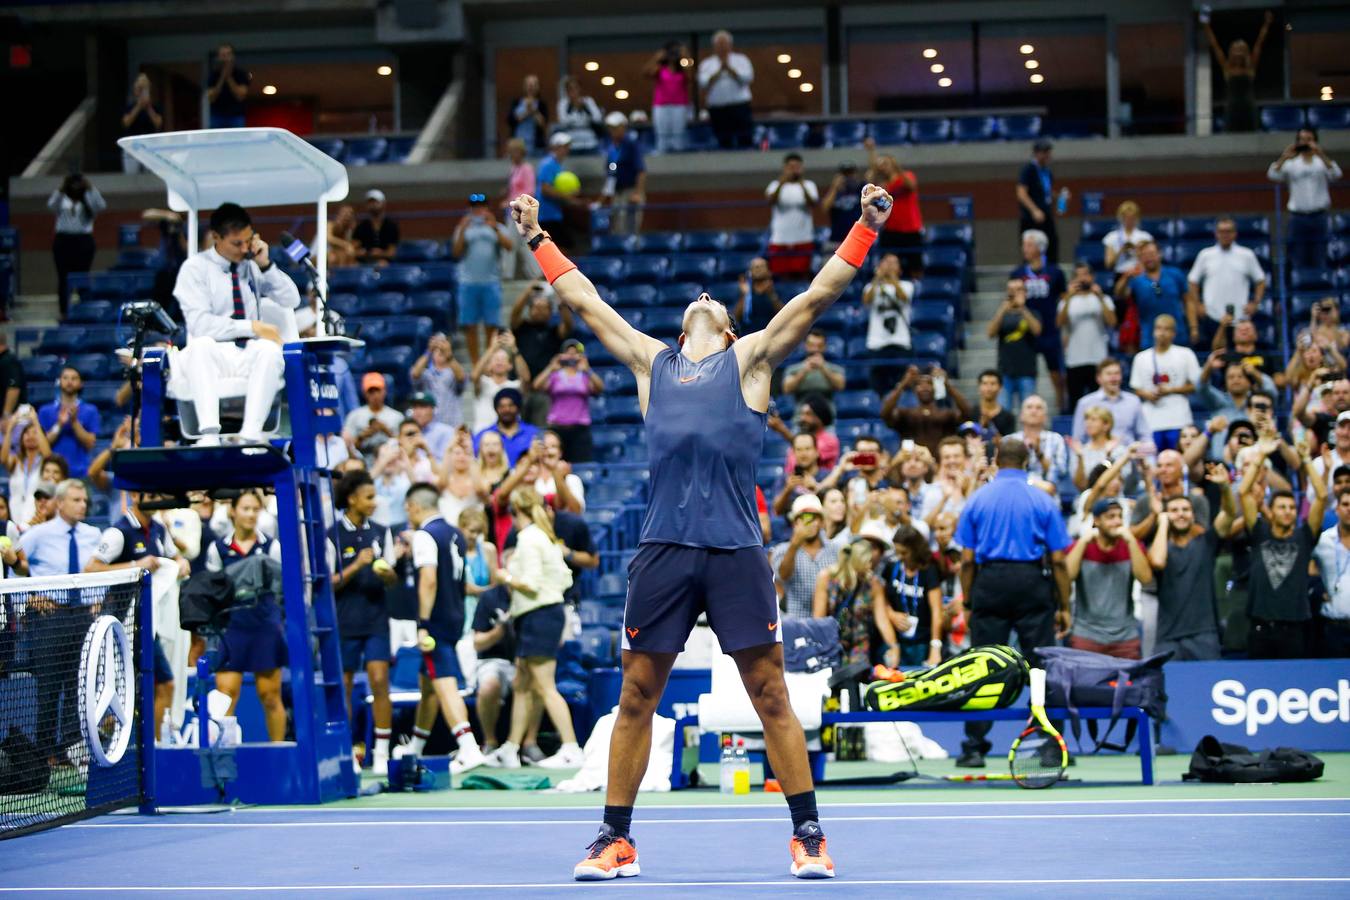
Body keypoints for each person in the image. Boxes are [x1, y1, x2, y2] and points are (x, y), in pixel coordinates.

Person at [506, 179, 893, 880]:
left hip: (737, 550)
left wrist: (865, 227)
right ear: (686, 326)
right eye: (701, 301)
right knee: (636, 695)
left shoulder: (750, 362)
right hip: (662, 551)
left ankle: (808, 834)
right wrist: (537, 236)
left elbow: (817, 297)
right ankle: (613, 840)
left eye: (718, 301)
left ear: (728, 328)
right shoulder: (651, 362)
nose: (708, 296)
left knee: (770, 693)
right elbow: (583, 300)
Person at [954, 438, 1071, 768]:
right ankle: (1051, 744)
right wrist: (1064, 604)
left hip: (990, 583)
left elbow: (966, 560)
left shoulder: (978, 499)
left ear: (996, 459)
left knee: (983, 665)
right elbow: (1060, 560)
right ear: (1027, 461)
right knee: (1041, 667)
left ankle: (974, 747)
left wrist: (968, 601)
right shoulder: (1042, 499)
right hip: (1032, 582)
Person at [172, 202, 301, 444]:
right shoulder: (195, 268)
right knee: (200, 346)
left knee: (269, 350)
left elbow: (291, 299)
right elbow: (200, 324)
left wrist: (266, 264)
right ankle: (209, 434)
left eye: (247, 241)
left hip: (247, 353)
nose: (244, 249)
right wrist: (251, 327)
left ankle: (250, 434)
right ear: (216, 237)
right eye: (236, 244)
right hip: (213, 356)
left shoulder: (251, 265)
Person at [483, 486, 582, 769]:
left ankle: (571, 748)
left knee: (545, 687)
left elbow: (531, 582)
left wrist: (505, 575)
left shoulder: (528, 539)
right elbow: (564, 578)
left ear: (517, 511)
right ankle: (511, 749)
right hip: (543, 615)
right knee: (522, 684)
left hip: (538, 617)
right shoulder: (546, 537)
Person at [85, 491, 189, 740]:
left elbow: (175, 557)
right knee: (117, 695)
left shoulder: (159, 529)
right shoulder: (117, 532)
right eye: (151, 496)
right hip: (119, 623)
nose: (157, 500)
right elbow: (91, 568)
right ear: (134, 495)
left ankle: (154, 748)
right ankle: (107, 746)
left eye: (158, 496)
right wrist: (135, 566)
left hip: (147, 623)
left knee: (165, 684)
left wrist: (181, 563)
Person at [403, 481, 487, 774]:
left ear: (414, 507)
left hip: (435, 621)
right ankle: (415, 747)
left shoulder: (424, 535)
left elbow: (428, 579)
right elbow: (460, 579)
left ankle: (468, 748)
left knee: (445, 683)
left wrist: (422, 623)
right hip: (455, 615)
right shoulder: (456, 534)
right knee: (429, 687)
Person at [17, 479, 100, 767]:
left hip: (83, 618)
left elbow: (99, 568)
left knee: (79, 686)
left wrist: (98, 597)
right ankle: (43, 756)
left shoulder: (94, 534)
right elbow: (14, 563)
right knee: (49, 689)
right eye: (76, 500)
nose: (82, 505)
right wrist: (28, 596)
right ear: (61, 503)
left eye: (85, 501)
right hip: (50, 620)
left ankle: (72, 751)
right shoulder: (38, 534)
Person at [327, 471, 398, 775]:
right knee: (343, 686)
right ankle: (346, 751)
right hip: (343, 620)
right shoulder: (330, 535)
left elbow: (393, 578)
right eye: (368, 497)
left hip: (376, 619)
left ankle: (381, 751)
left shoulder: (382, 532)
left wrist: (387, 575)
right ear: (352, 499)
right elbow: (327, 584)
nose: (374, 502)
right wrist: (357, 565)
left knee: (380, 680)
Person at [204, 490, 287, 740]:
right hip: (231, 626)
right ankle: (222, 759)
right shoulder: (218, 548)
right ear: (233, 511)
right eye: (245, 509)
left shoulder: (272, 546)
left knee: (270, 695)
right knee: (225, 694)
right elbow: (211, 590)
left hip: (264, 624)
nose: (251, 514)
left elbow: (282, 588)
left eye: (255, 509)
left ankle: (278, 755)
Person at [1239, 438, 1327, 659]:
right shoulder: (1260, 533)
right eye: (1281, 507)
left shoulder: (1304, 537)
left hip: (1295, 628)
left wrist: (1306, 459)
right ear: (1271, 510)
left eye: (1291, 507)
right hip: (1260, 627)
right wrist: (1260, 457)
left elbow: (1322, 496)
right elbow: (1243, 493)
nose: (1287, 511)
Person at [1147, 465, 1237, 661]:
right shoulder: (1160, 546)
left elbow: (1229, 514)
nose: (1180, 514)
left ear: (1193, 515)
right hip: (1167, 636)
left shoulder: (1206, 541)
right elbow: (1157, 561)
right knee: (1165, 690)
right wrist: (1161, 520)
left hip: (1204, 635)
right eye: (1174, 510)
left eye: (1185, 510)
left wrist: (1225, 488)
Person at [1064, 499, 1152, 659]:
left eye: (1120, 516)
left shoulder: (1132, 546)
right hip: (1086, 635)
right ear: (1097, 520)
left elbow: (1145, 579)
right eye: (1111, 517)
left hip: (1125, 637)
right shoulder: (1082, 546)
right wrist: (1083, 541)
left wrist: (1131, 540)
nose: (1118, 522)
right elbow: (1067, 577)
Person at [813, 529, 898, 668]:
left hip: (859, 644)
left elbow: (882, 620)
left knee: (855, 680)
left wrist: (893, 646)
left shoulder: (873, 583)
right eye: (868, 562)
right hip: (830, 643)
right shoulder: (827, 578)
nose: (871, 567)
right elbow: (818, 619)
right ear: (857, 561)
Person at [452, 193, 515, 365]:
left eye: (481, 206)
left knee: (491, 325)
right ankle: (475, 364)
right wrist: (463, 228)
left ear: (486, 208)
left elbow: (509, 247)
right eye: (474, 207)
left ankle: (488, 363)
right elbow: (456, 253)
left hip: (491, 282)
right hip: (468, 283)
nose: (478, 210)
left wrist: (494, 227)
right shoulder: (463, 228)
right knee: (470, 325)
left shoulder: (496, 227)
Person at [1268, 127, 1343, 271]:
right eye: (1302, 140)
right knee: (1297, 255)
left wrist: (1321, 154)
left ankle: (1322, 288)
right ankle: (1299, 289)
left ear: (1315, 142)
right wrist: (1284, 157)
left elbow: (1336, 174)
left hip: (1320, 216)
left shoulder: (1321, 162)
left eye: (1309, 140)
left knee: (1321, 254)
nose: (1305, 143)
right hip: (1298, 218)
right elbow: (1273, 175)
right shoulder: (1291, 164)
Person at [1186, 218, 1267, 348]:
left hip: (1240, 318)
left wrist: (1256, 302)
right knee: (1216, 358)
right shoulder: (1205, 255)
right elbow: (1192, 281)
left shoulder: (1246, 255)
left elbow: (1261, 280)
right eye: (1221, 231)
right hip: (1212, 316)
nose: (1225, 234)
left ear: (1235, 233)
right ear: (1216, 233)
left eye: (1228, 231)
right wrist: (1197, 304)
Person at [1012, 229, 1068, 413]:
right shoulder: (1018, 273)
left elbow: (1064, 299)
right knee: (1028, 374)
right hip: (1025, 329)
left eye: (1028, 244)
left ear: (1040, 247)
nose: (1024, 248)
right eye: (1023, 244)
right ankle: (1029, 409)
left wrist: (1065, 329)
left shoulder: (1055, 272)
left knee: (1056, 372)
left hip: (1051, 329)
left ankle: (1061, 406)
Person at [1130, 315, 1201, 452]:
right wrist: (1148, 394)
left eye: (1167, 329)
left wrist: (1171, 390)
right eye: (1158, 329)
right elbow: (1136, 388)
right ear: (1153, 331)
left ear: (1174, 333)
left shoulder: (1185, 354)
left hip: (1179, 419)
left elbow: (1196, 385)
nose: (1162, 333)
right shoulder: (1141, 358)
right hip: (1151, 421)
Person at [1201, 9, 1273, 133]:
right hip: (1232, 109)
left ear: (1246, 52)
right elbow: (1214, 45)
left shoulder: (1250, 67)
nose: (1238, 52)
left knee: (1251, 135)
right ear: (1231, 52)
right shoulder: (1227, 67)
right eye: (1236, 49)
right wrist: (1206, 26)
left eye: (1241, 49)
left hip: (1248, 108)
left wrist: (1266, 24)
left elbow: (1259, 44)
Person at [883, 524, 945, 666]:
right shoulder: (892, 567)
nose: (900, 557)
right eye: (897, 552)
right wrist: (891, 614)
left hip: (921, 642)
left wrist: (935, 647)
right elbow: (881, 599)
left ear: (915, 549)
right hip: (897, 640)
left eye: (904, 553)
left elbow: (937, 611)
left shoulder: (928, 570)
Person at [1058, 261, 1117, 408]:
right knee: (1075, 404)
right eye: (1078, 276)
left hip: (1098, 358)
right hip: (1074, 359)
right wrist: (1069, 298)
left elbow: (1112, 322)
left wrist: (1101, 297)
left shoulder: (1103, 299)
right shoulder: (1066, 301)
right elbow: (1059, 323)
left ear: (1093, 277)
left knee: (1100, 404)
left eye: (1085, 274)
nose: (1082, 279)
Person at [533, 338, 601, 463]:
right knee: (553, 464)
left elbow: (599, 388)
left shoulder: (584, 375)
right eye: (567, 352)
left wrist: (588, 370)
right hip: (557, 428)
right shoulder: (555, 375)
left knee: (581, 464)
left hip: (579, 429)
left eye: (574, 352)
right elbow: (537, 386)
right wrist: (551, 367)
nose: (571, 355)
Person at [771, 493, 839, 617]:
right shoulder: (781, 550)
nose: (810, 523)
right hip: (795, 622)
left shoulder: (835, 549)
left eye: (815, 518)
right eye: (804, 518)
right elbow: (783, 576)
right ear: (795, 523)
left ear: (822, 522)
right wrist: (795, 545)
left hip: (828, 621)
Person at [881, 365, 973, 457]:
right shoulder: (905, 414)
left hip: (941, 461)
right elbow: (885, 413)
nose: (924, 387)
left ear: (936, 388)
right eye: (919, 384)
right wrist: (903, 384)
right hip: (913, 461)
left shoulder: (946, 414)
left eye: (929, 383)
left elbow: (966, 412)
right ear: (914, 389)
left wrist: (947, 385)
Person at [48, 172, 105, 319]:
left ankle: (84, 311)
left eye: (78, 183)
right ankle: (64, 312)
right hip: (63, 241)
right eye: (72, 183)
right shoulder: (62, 199)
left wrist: (90, 187)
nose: (75, 186)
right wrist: (61, 187)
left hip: (83, 241)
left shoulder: (88, 198)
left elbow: (101, 205)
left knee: (82, 277)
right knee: (63, 278)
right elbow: (51, 205)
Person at [864, 137, 923, 275]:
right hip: (891, 230)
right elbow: (869, 181)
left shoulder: (906, 176)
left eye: (887, 163)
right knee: (888, 265)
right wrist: (871, 152)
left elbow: (911, 185)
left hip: (911, 229)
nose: (884, 166)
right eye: (882, 164)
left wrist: (898, 168)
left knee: (915, 266)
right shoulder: (883, 186)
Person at [1121, 241, 1192, 349]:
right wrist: (1126, 277)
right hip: (1149, 338)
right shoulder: (1136, 280)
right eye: (1144, 255)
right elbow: (1120, 294)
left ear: (1159, 254)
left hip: (1177, 335)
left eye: (1152, 254)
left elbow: (1188, 301)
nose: (1149, 258)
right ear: (1140, 258)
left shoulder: (1175, 274)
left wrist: (1193, 327)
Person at [470, 583, 515, 752]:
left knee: (536, 685)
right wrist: (501, 629)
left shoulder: (533, 595)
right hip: (492, 660)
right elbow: (477, 643)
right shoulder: (490, 597)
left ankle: (525, 745)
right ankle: (490, 742)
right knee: (489, 686)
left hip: (523, 661)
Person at [861, 253, 913, 393]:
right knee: (878, 385)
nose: (889, 265)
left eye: (893, 262)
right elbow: (866, 301)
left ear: (900, 269)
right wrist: (878, 278)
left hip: (900, 342)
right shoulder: (871, 287)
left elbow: (904, 297)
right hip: (877, 343)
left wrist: (892, 278)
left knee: (902, 384)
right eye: (886, 262)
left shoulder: (907, 285)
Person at [987, 278, 1041, 412]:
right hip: (1005, 371)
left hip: (1027, 371)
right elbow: (990, 333)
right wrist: (1001, 311)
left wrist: (1022, 308)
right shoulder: (1002, 314)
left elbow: (1037, 330)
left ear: (1025, 293)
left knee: (1029, 412)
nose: (1014, 293)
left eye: (1018, 290)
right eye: (1010, 290)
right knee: (1004, 413)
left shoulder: (1033, 313)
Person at [36, 367, 98, 480]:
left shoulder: (90, 410)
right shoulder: (45, 410)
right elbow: (41, 445)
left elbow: (90, 443)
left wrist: (74, 422)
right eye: (65, 378)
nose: (69, 381)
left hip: (80, 473)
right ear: (59, 381)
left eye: (74, 378)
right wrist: (59, 424)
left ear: (81, 383)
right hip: (52, 475)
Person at [1071, 358, 1149, 446]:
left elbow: (1144, 436)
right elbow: (1078, 439)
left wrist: (1148, 457)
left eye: (1117, 373)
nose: (1114, 378)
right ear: (1099, 378)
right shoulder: (1085, 403)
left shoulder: (1134, 401)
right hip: (1096, 457)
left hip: (1128, 456)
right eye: (1109, 374)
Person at [697, 30, 754, 150]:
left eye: (724, 44)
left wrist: (729, 69)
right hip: (718, 108)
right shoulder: (707, 64)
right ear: (714, 46)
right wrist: (719, 71)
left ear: (730, 45)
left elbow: (747, 79)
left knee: (744, 138)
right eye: (719, 44)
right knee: (723, 140)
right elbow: (703, 83)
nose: (722, 47)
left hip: (739, 106)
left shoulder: (741, 60)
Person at [765, 154, 819, 278]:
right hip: (780, 239)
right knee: (780, 277)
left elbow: (812, 202)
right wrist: (782, 182)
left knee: (802, 276)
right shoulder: (775, 185)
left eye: (797, 167)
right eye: (791, 167)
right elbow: (770, 200)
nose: (794, 170)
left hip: (803, 238)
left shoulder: (809, 185)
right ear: (785, 168)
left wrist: (801, 184)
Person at [1314, 488, 1350, 657]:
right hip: (1332, 628)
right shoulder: (1323, 541)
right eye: (1345, 504)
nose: (1349, 509)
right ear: (1337, 509)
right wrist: (1317, 588)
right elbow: (1304, 564)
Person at [1015, 139, 1063, 264]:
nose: (1048, 155)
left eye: (1049, 152)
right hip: (1031, 218)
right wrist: (1034, 210)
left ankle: (1050, 273)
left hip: (1046, 216)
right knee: (1031, 249)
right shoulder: (1029, 170)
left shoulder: (1047, 172)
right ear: (1036, 153)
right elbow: (1021, 193)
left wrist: (1059, 197)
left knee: (1052, 245)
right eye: (1044, 152)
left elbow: (1045, 193)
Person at [600, 112, 647, 236]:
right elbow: (610, 174)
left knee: (630, 227)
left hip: (631, 191)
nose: (612, 131)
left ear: (623, 127)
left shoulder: (631, 144)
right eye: (610, 128)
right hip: (617, 192)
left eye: (615, 128)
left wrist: (637, 193)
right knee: (616, 226)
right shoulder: (610, 147)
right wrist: (603, 198)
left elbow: (641, 170)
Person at [3, 407, 51, 524]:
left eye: (35, 433)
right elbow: (3, 459)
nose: (30, 436)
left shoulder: (44, 463)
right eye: (27, 433)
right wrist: (10, 427)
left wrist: (35, 421)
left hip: (36, 515)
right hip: (15, 512)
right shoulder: (16, 461)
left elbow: (48, 455)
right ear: (21, 438)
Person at [343, 372, 405, 464]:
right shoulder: (354, 416)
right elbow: (347, 447)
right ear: (365, 393)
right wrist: (363, 436)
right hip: (363, 460)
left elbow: (404, 445)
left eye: (378, 390)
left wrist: (386, 430)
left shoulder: (397, 416)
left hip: (392, 460)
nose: (375, 395)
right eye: (371, 391)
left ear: (384, 391)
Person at [410, 332, 466, 431]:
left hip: (452, 426)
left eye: (443, 348)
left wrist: (449, 356)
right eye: (437, 349)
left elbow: (461, 377)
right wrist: (428, 351)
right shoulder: (426, 373)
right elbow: (415, 374)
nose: (440, 351)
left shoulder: (454, 372)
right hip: (428, 428)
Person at [501, 138, 539, 280]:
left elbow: (529, 191)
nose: (512, 155)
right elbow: (514, 189)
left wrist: (509, 202)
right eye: (510, 152)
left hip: (522, 212)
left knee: (518, 243)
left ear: (521, 152)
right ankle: (534, 273)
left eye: (515, 152)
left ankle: (510, 274)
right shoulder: (514, 169)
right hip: (512, 213)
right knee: (519, 244)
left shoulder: (527, 169)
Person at [474, 386, 541, 467]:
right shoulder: (484, 435)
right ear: (496, 409)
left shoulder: (533, 433)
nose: (506, 410)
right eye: (502, 406)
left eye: (511, 405)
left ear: (518, 408)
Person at [1011, 395, 1069, 488]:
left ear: (1045, 417)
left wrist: (1039, 453)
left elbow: (1061, 472)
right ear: (1021, 415)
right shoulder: (1010, 441)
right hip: (1016, 491)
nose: (1034, 411)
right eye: (1029, 407)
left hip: (1047, 494)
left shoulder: (1056, 439)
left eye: (1039, 408)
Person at [782, 330, 845, 414]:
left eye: (819, 346)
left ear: (825, 347)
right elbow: (786, 389)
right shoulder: (793, 369)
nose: (815, 349)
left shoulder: (835, 369)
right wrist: (803, 371)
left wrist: (823, 368)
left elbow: (840, 386)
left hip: (827, 418)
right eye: (812, 345)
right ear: (805, 346)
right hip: (801, 417)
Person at [644, 41, 690, 153]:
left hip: (679, 105)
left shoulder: (683, 69)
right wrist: (657, 58)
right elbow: (645, 73)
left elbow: (692, 77)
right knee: (662, 133)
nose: (673, 55)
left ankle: (679, 156)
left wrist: (686, 57)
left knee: (678, 133)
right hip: (661, 105)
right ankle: (662, 153)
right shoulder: (660, 68)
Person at [536, 133, 578, 253]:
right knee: (558, 250)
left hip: (554, 214)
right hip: (547, 215)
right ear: (555, 147)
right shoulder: (548, 164)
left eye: (567, 146)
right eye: (563, 146)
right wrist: (568, 198)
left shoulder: (556, 165)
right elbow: (545, 189)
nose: (566, 149)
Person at [120, 73, 163, 173]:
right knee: (131, 175)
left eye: (144, 88)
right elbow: (126, 122)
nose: (141, 92)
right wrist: (138, 106)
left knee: (150, 175)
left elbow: (158, 123)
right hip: (131, 146)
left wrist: (148, 108)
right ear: (135, 90)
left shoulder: (155, 108)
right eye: (139, 88)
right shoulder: (129, 107)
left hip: (150, 145)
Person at [819, 163, 865, 251]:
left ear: (856, 174)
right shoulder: (834, 192)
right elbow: (824, 207)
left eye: (851, 173)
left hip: (856, 239)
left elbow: (872, 174)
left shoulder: (860, 188)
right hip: (836, 239)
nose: (848, 177)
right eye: (845, 174)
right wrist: (834, 188)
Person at [733, 257, 782, 336]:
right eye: (755, 267)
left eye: (761, 266)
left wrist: (772, 295)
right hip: (748, 334)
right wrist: (745, 295)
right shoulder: (745, 291)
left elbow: (783, 314)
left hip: (771, 334)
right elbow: (736, 318)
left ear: (769, 271)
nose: (758, 269)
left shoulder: (775, 290)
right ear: (750, 272)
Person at [1102, 200, 1152, 275]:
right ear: (1120, 218)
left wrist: (1137, 251)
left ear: (1137, 218)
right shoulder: (1111, 237)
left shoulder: (1145, 237)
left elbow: (1151, 262)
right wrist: (1121, 251)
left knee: (1155, 285)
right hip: (1120, 274)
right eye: (1126, 217)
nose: (1129, 220)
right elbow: (1108, 265)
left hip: (1140, 274)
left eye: (1132, 217)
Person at [206, 44, 250, 128]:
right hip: (217, 116)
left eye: (228, 54)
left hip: (236, 116)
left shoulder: (240, 74)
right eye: (223, 55)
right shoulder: (213, 76)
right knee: (216, 140)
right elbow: (211, 98)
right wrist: (222, 77)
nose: (225, 58)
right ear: (218, 57)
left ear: (233, 56)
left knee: (238, 140)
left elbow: (241, 96)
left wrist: (229, 77)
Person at [556, 76, 604, 152]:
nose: (573, 91)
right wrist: (572, 107)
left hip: (589, 140)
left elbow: (598, 118)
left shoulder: (588, 101)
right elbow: (563, 121)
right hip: (571, 140)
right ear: (567, 91)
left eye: (575, 88)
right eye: (570, 89)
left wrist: (585, 108)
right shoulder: (563, 104)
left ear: (579, 89)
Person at [354, 190, 400, 266]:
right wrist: (364, 253)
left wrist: (381, 253)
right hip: (363, 261)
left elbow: (392, 253)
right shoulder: (361, 226)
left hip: (384, 263)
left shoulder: (391, 226)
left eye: (376, 202)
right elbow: (355, 248)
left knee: (382, 264)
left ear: (383, 203)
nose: (373, 205)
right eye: (370, 202)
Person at [507, 74, 549, 153]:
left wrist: (534, 111)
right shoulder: (516, 102)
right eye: (529, 85)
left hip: (536, 146)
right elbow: (510, 121)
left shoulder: (542, 104)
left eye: (534, 85)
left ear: (538, 87)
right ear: (524, 87)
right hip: (518, 145)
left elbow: (543, 124)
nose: (531, 87)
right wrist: (526, 112)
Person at [972, 370, 1017, 438]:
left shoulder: (1008, 417)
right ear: (979, 386)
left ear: (1000, 387)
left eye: (993, 384)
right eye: (985, 383)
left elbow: (1008, 444)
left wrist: (991, 429)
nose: (989, 388)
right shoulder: (971, 412)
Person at [326, 204, 360, 269]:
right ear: (338, 214)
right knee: (333, 258)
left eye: (350, 213)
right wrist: (346, 244)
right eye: (345, 212)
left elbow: (353, 244)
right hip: (320, 254)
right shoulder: (330, 224)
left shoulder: (349, 228)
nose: (347, 215)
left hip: (340, 255)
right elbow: (329, 238)